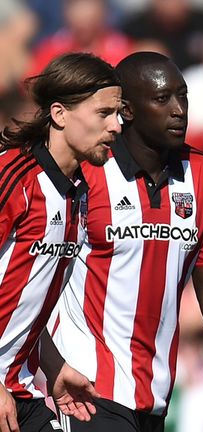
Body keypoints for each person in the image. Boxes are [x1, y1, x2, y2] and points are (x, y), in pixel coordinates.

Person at [50, 51, 203, 432]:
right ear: (127, 110)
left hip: (156, 395)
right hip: (87, 390)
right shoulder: (86, 172)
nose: (179, 110)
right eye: (163, 99)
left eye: (183, 97)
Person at [0, 52, 122, 431]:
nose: (117, 126)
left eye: (117, 114)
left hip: (20, 389)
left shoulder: (78, 192)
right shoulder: (13, 177)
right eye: (104, 113)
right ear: (59, 114)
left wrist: (54, 367)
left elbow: (26, 302)